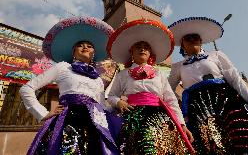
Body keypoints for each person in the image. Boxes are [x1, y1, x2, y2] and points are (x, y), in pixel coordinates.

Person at [168, 17, 248, 154]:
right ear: (182, 44)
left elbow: (235, 79)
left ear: (201, 41)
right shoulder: (178, 66)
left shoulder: (216, 55)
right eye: (188, 38)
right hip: (198, 110)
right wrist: (181, 101)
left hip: (227, 103)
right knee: (208, 145)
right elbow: (167, 89)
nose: (192, 39)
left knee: (241, 139)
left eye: (195, 37)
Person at [19, 17, 121, 155]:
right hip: (67, 121)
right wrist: (42, 113)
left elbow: (102, 106)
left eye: (89, 46)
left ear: (93, 54)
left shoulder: (97, 79)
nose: (85, 47)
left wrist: (118, 103)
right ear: (73, 52)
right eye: (80, 45)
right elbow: (26, 89)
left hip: (95, 126)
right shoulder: (63, 67)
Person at [106, 19, 195, 154]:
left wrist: (182, 124)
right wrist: (119, 102)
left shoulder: (159, 74)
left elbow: (170, 99)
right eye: (138, 47)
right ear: (131, 52)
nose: (142, 49)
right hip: (133, 118)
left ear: (150, 54)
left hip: (160, 117)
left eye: (146, 47)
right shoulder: (122, 74)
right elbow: (111, 95)